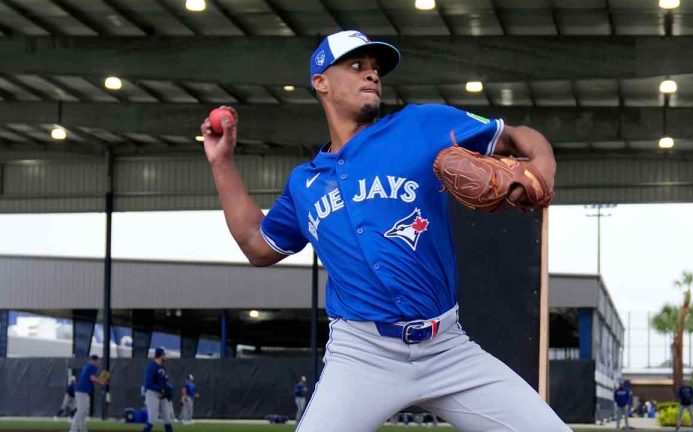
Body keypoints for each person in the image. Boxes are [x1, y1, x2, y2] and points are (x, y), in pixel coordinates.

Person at [201, 29, 562, 432]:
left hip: (446, 347)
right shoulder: (304, 184)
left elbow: (516, 136)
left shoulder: (420, 124)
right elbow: (257, 245)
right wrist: (222, 163)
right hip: (361, 354)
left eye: (376, 69)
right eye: (356, 66)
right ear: (320, 82)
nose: (371, 75)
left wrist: (541, 169)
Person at [69, 354, 107, 432]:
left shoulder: (88, 366)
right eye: (97, 361)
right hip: (81, 391)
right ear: (95, 361)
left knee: (84, 411)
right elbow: (92, 378)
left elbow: (90, 378)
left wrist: (100, 381)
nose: (98, 362)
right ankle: (73, 430)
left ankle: (82, 429)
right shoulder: (92, 366)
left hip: (81, 391)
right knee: (81, 410)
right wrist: (101, 382)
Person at [142, 347, 173, 432]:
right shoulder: (151, 367)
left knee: (167, 419)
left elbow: (164, 381)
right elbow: (148, 383)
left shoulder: (162, 367)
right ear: (161, 355)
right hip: (152, 393)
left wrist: (167, 388)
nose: (165, 357)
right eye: (164, 355)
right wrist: (160, 389)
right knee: (152, 419)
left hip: (162, 394)